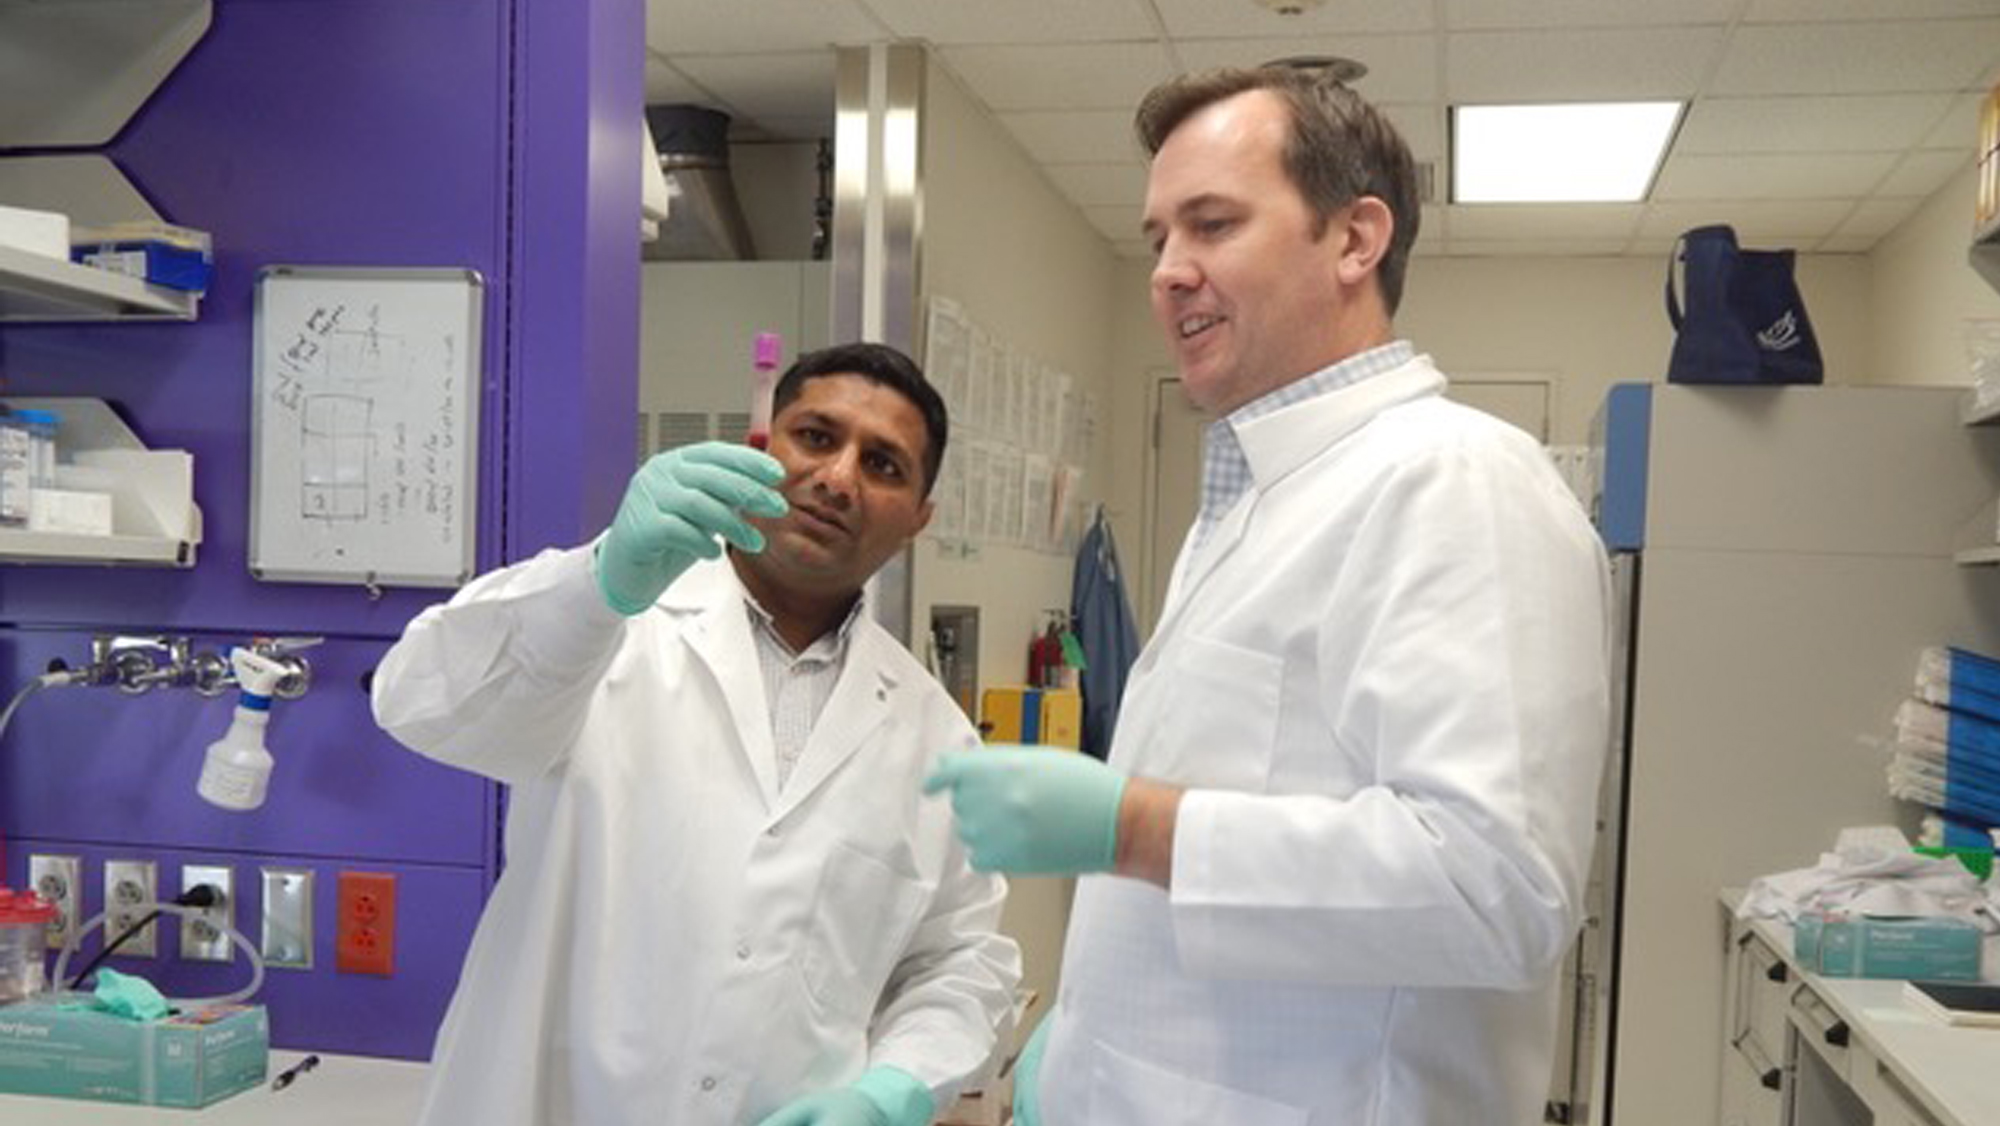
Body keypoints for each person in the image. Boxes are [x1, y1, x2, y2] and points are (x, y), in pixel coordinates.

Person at [924, 66, 1611, 1126]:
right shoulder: (1250, 502)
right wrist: (1081, 1039)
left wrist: (1132, 827)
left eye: (1210, 224)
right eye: (1157, 237)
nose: (1165, 272)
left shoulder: (1454, 480)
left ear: (1353, 239)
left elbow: (1494, 888)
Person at [373, 342, 1021, 1126]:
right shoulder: (608, 627)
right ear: (762, 448)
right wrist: (601, 579)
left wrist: (891, 1091)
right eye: (816, 437)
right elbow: (422, 703)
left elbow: (958, 962)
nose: (839, 479)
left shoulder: (936, 742)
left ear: (918, 519)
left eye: (884, 465)